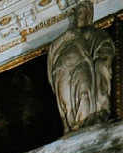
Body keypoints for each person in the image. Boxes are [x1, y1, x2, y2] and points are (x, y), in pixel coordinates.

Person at [48, 1, 115, 133]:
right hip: (61, 70)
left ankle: (84, 126)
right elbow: (52, 50)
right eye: (77, 13)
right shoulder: (69, 34)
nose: (78, 15)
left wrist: (105, 56)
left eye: (81, 12)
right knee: (66, 103)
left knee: (84, 94)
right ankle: (71, 128)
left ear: (88, 15)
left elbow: (105, 44)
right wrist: (66, 36)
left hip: (82, 66)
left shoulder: (93, 32)